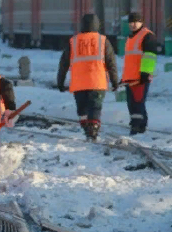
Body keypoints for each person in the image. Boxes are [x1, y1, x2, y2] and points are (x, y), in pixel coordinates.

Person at [57, 13, 119, 141]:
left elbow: (63, 64)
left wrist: (60, 81)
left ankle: (87, 129)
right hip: (97, 82)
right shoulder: (103, 41)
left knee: (82, 109)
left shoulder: (73, 41)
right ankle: (93, 129)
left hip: (79, 84)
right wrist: (114, 81)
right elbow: (111, 63)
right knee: (95, 106)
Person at [121, 12, 157, 135]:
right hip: (130, 78)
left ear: (142, 22)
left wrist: (145, 74)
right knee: (132, 104)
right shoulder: (130, 38)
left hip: (140, 77)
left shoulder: (147, 36)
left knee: (138, 103)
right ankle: (137, 124)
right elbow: (129, 60)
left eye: (136, 21)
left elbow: (150, 56)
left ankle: (139, 127)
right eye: (131, 22)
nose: (133, 24)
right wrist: (124, 77)